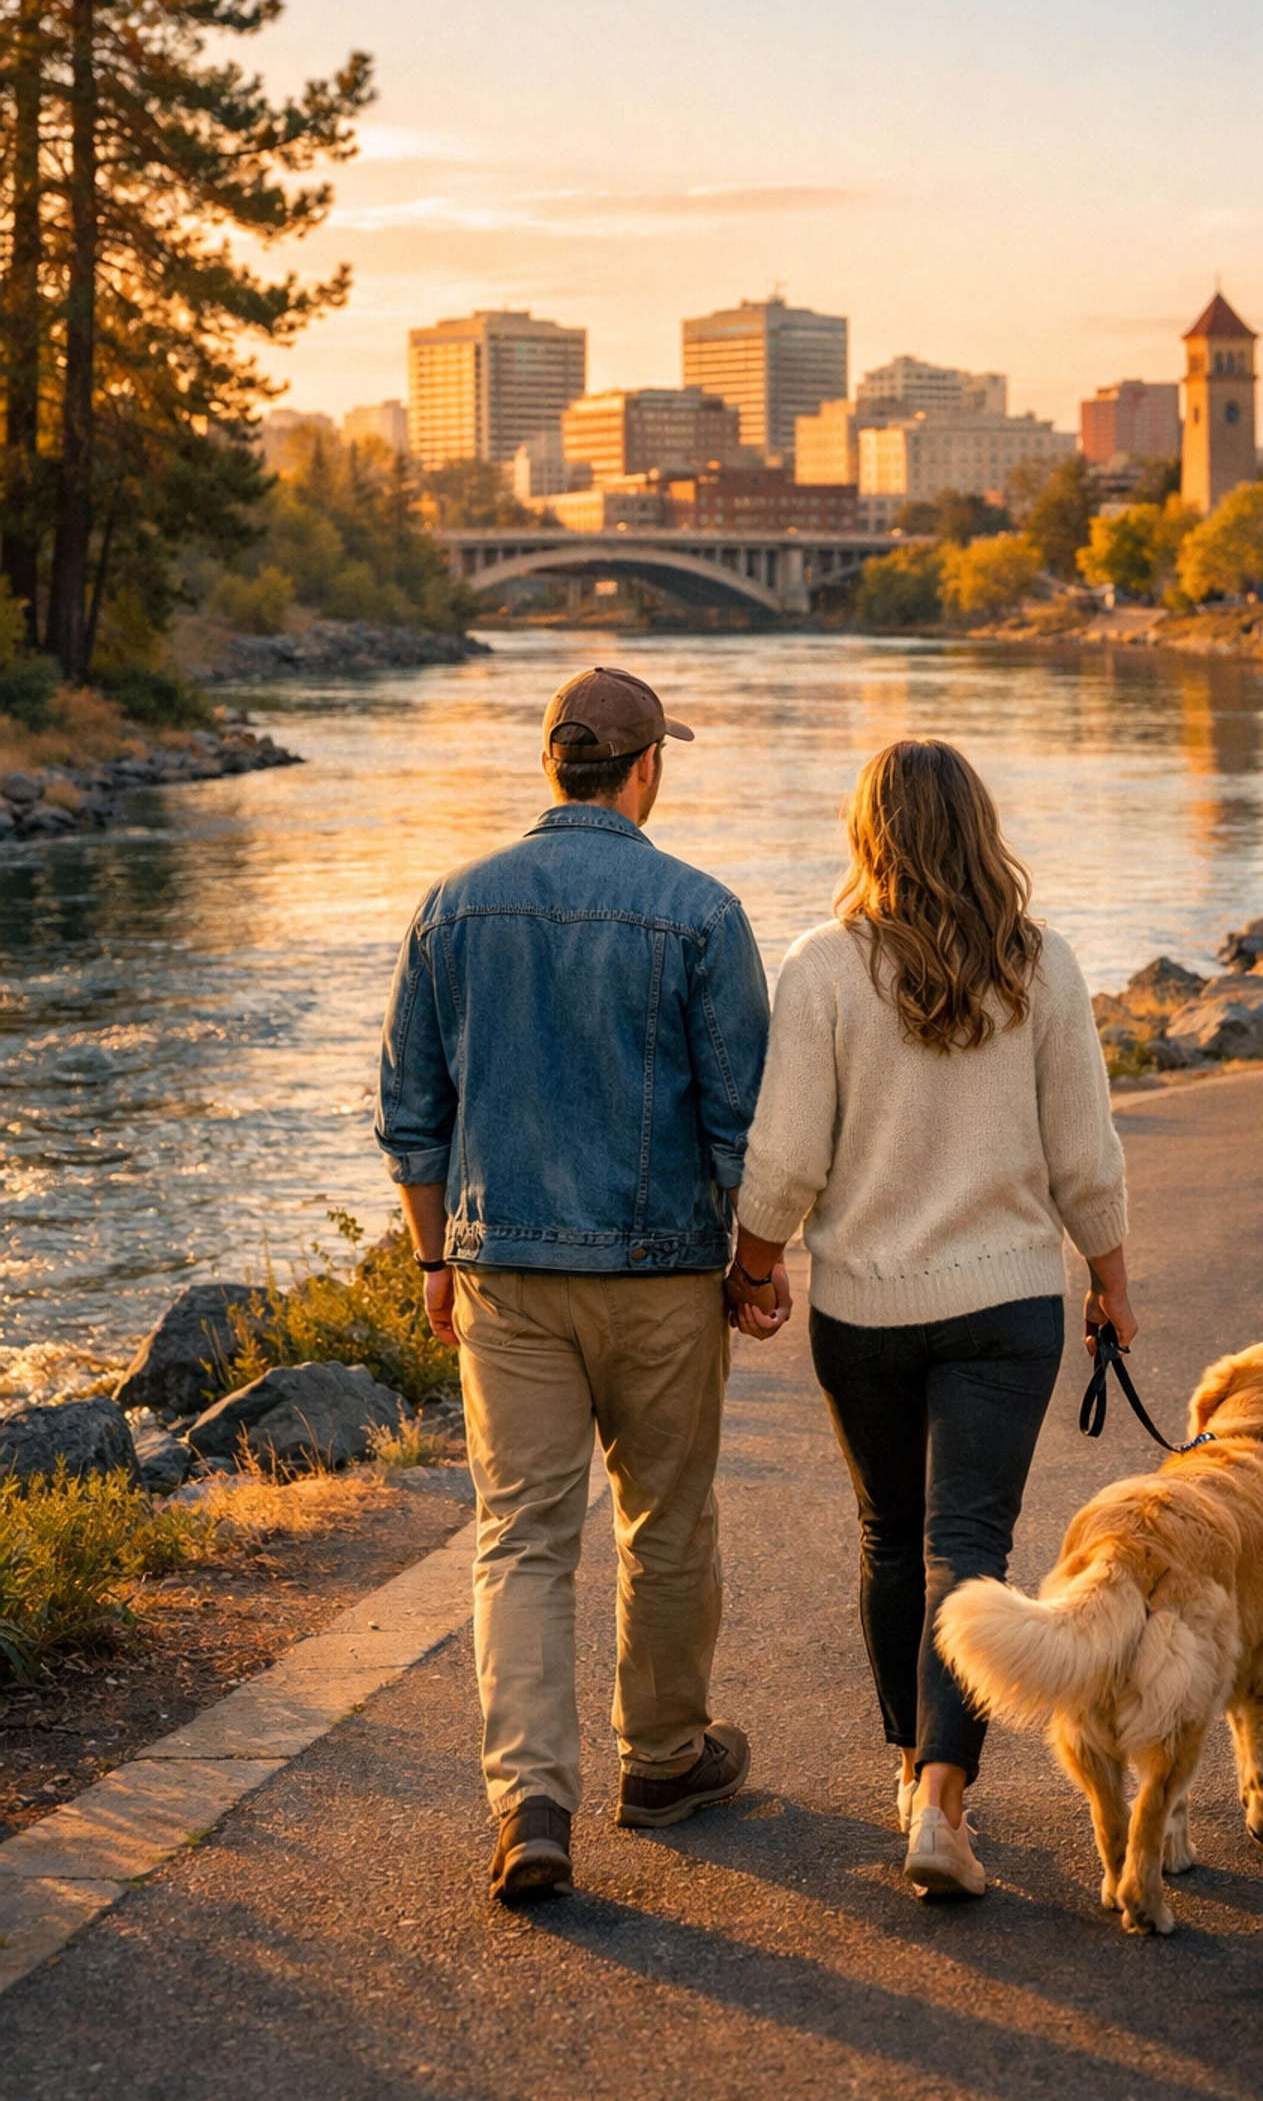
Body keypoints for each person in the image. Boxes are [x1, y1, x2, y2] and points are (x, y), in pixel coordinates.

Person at [375, 665, 786, 1903]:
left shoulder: (453, 909)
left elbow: (411, 1117)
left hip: (504, 1276)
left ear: (551, 765)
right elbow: (744, 1126)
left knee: (521, 1539)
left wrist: (434, 1258)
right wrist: (756, 1266)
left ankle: (531, 1804)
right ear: (646, 768)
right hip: (663, 1276)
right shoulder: (702, 913)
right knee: (667, 1522)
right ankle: (662, 1761)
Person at [727, 739, 1135, 1900]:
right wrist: (1112, 1281)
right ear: (979, 826)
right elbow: (1084, 1153)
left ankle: (914, 1774)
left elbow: (786, 1157)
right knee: (970, 1544)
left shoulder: (821, 968)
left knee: (888, 1537)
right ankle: (946, 1806)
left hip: (864, 1308)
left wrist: (753, 1268)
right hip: (1010, 1305)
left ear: (870, 834)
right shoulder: (1041, 967)